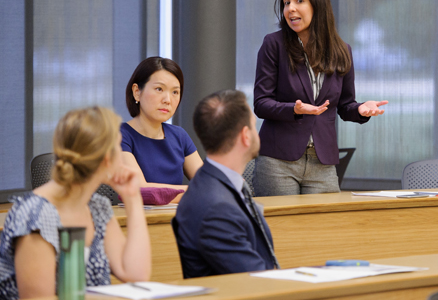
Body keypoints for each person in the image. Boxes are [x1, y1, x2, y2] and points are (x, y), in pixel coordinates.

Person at [253, 0, 388, 196]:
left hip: (322, 163)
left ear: (318, 4)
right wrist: (293, 109)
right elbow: (261, 103)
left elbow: (345, 105)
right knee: (283, 231)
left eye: (299, 0)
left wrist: (361, 109)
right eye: (286, 2)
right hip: (278, 161)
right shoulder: (273, 44)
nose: (290, 9)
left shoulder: (341, 50)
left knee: (325, 229)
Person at [0, 107, 151, 299]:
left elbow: (135, 274)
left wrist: (133, 198)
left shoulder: (97, 207)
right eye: (119, 147)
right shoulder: (33, 214)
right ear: (107, 158)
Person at [174, 90, 278, 277]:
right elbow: (257, 281)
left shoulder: (214, 183)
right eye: (254, 126)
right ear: (246, 136)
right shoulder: (217, 207)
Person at [121, 57, 203, 202]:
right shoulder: (120, 136)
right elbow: (141, 191)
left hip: (179, 220)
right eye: (159, 89)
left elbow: (210, 185)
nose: (167, 100)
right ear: (137, 92)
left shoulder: (179, 136)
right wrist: (195, 191)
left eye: (175, 92)